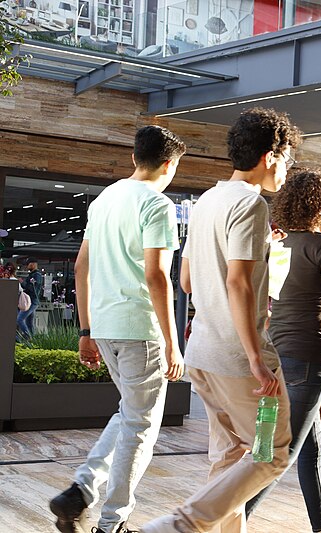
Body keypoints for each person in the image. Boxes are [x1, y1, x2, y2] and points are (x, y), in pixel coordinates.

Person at [141, 107, 301, 533]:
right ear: (271, 155)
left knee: (231, 456)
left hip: (204, 353)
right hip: (238, 359)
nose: (287, 170)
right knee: (271, 453)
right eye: (287, 159)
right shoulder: (251, 204)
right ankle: (177, 525)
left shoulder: (208, 200)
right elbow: (239, 283)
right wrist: (254, 356)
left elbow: (188, 280)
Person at [49, 125, 187, 533]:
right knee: (141, 427)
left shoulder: (105, 199)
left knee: (130, 414)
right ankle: (112, 523)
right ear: (170, 163)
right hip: (140, 328)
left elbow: (80, 267)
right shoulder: (158, 205)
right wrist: (172, 342)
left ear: (134, 158)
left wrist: (86, 330)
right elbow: (157, 277)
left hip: (105, 326)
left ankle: (79, 492)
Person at [245, 170, 321, 532]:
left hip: (278, 354)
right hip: (310, 358)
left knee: (308, 447)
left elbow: (270, 302)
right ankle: (232, 520)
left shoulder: (278, 245)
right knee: (281, 456)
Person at [16, 258, 43, 339]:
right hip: (31, 300)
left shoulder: (36, 275)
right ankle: (32, 340)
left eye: (28, 264)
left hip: (31, 301)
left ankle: (28, 336)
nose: (27, 266)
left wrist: (22, 282)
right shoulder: (33, 274)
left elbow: (32, 288)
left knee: (20, 319)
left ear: (33, 264)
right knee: (29, 322)